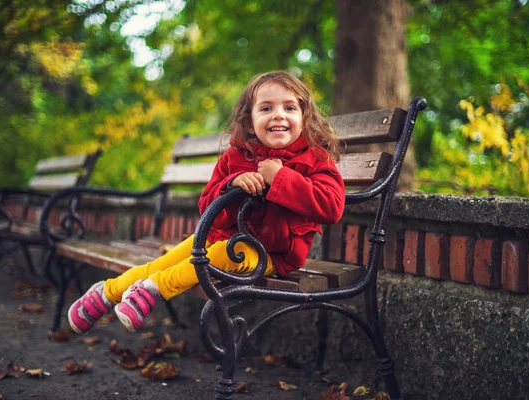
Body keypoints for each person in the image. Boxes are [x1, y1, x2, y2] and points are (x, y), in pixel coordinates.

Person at [68, 70, 346, 334]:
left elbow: (332, 206)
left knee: (221, 254)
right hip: (217, 236)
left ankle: (152, 290)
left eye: (289, 108)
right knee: (165, 261)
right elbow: (206, 205)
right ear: (249, 120)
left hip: (271, 254)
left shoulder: (315, 159)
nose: (278, 115)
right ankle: (106, 293)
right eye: (266, 108)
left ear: (304, 117)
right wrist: (232, 184)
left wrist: (281, 178)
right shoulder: (234, 158)